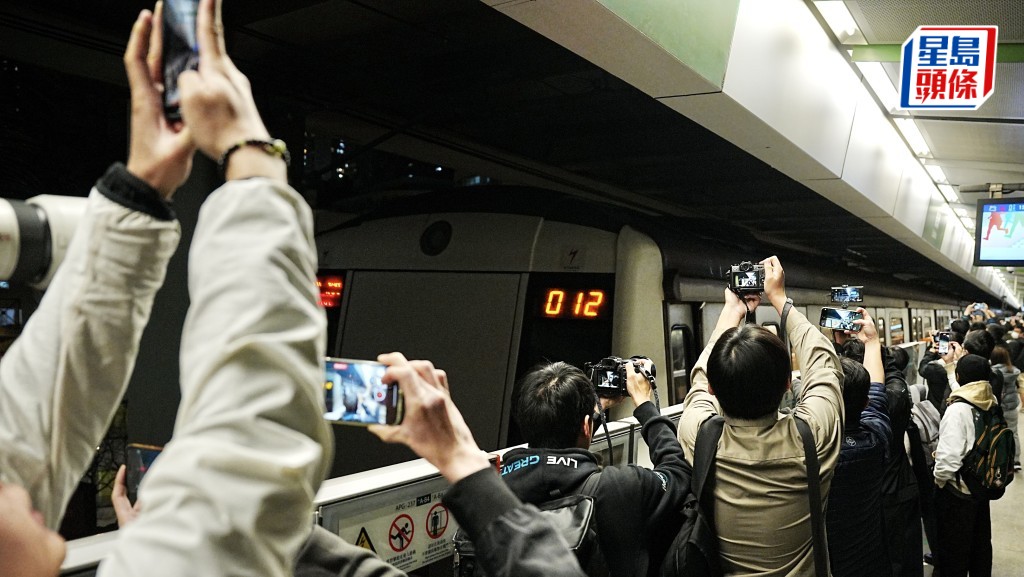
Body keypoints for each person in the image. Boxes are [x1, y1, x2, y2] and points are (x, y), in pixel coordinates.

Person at [678, 256, 843, 577]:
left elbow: (698, 379)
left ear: (713, 388)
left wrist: (732, 312)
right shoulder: (813, 436)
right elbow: (823, 363)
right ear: (786, 386)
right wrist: (780, 299)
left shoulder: (699, 436)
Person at [496, 359, 691, 577]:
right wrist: (645, 407)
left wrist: (593, 414)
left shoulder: (494, 494)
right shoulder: (619, 487)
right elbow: (678, 473)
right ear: (587, 426)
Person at [826, 310, 892, 577]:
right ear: (864, 403)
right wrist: (872, 342)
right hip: (867, 557)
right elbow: (875, 390)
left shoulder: (815, 450)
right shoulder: (876, 437)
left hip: (829, 561)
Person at [933, 354, 998, 577]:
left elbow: (948, 460)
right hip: (982, 486)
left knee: (954, 554)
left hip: (959, 493)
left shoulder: (957, 410)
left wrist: (940, 481)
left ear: (960, 377)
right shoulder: (991, 401)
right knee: (980, 547)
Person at [990, 345, 1021, 471]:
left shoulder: (992, 373)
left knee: (997, 434)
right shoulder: (1013, 371)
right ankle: (1016, 460)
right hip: (1012, 408)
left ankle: (1001, 459)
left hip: (999, 408)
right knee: (1014, 433)